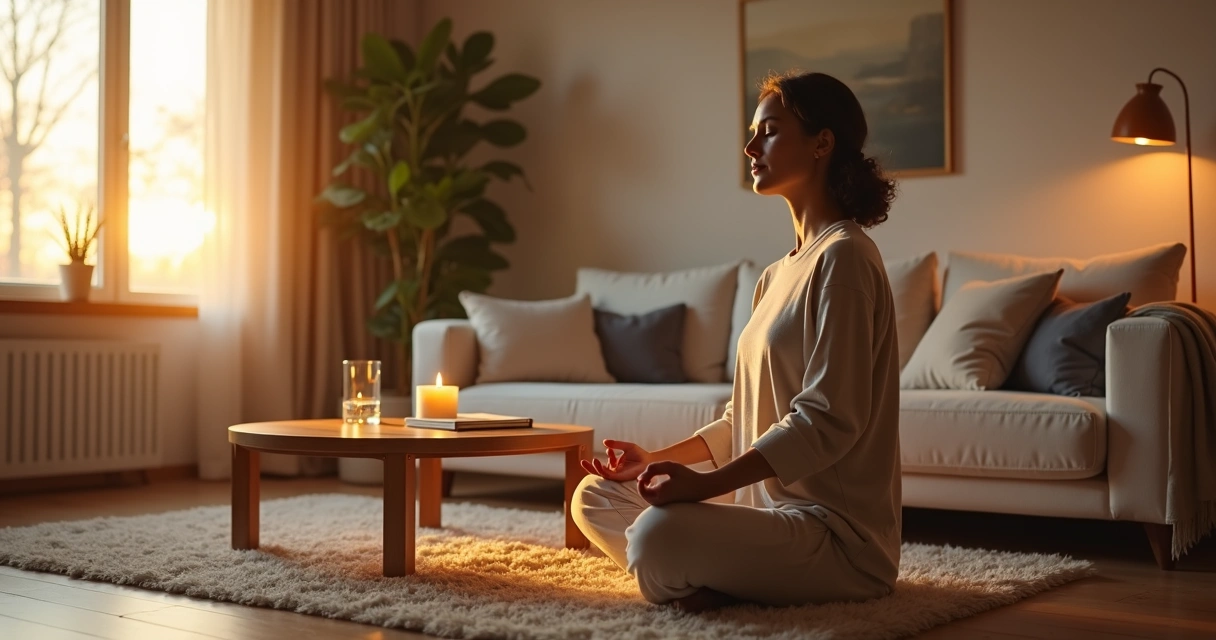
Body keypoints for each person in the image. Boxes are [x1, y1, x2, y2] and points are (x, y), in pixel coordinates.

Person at [570, 71, 901, 612]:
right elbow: (741, 419)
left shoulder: (846, 258)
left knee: (656, 534)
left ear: (822, 142)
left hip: (834, 539)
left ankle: (691, 571)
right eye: (753, 132)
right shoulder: (775, 276)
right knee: (597, 496)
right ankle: (709, 578)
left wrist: (703, 488)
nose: (751, 147)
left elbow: (828, 419)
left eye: (769, 131)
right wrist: (654, 459)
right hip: (769, 521)